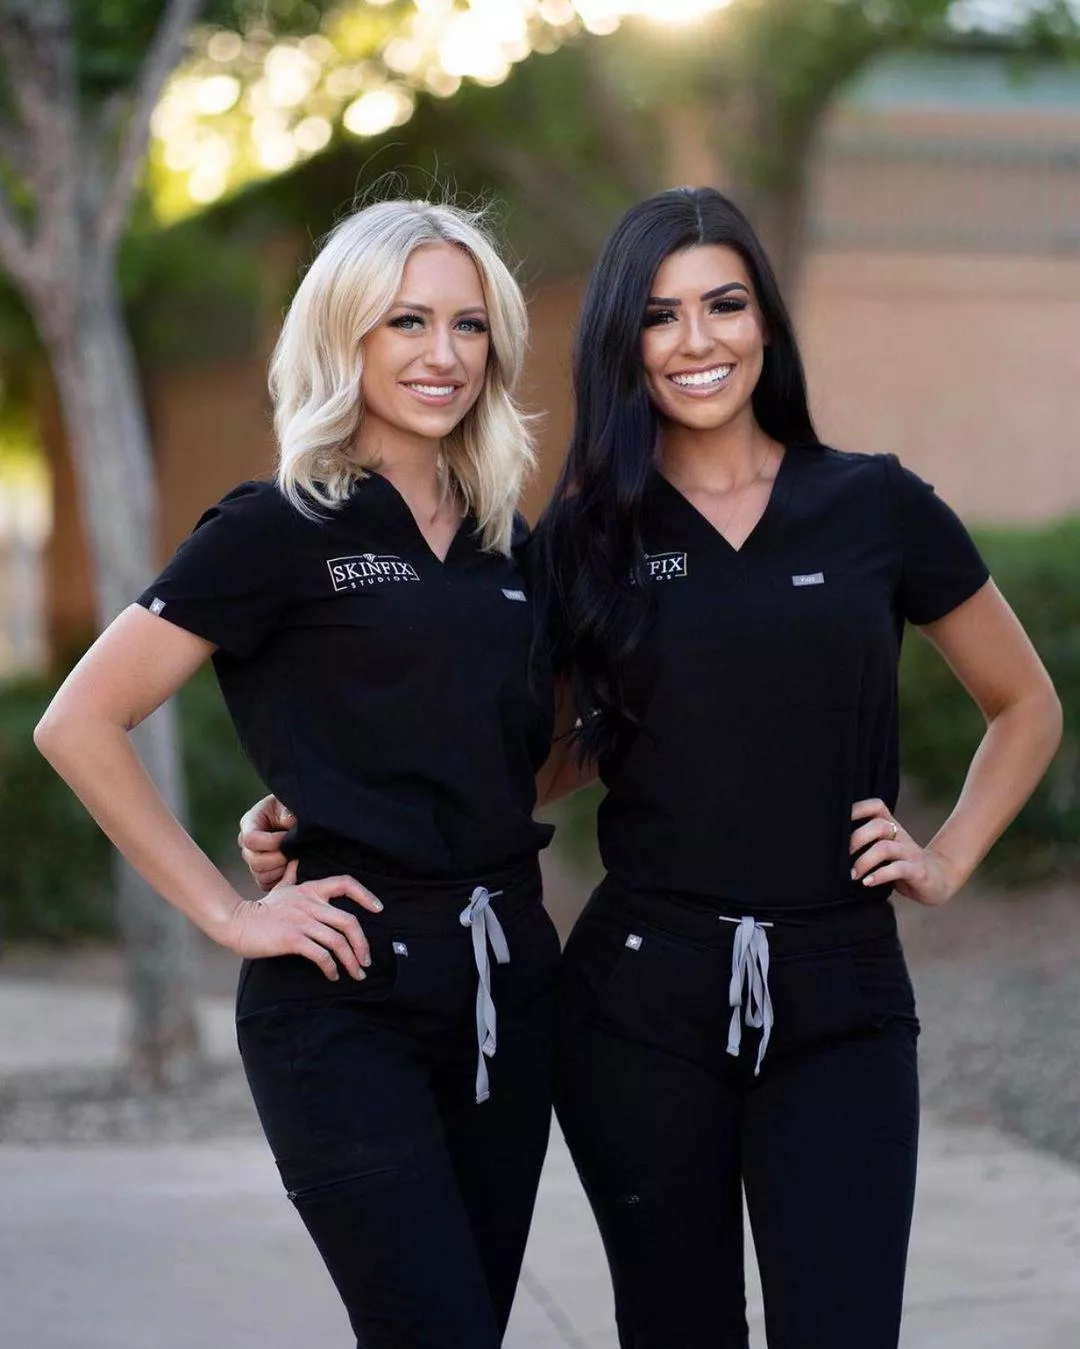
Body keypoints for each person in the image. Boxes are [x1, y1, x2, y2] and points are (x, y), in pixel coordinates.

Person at [239, 188, 1063, 1349]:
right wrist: (333, 809)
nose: (697, 340)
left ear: (766, 324)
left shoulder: (876, 505)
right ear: (624, 341)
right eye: (661, 315)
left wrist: (947, 854)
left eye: (724, 305)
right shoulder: (583, 536)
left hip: (843, 995)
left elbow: (1023, 702)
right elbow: (548, 751)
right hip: (639, 1008)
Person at [34, 199, 562, 1349]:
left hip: (507, 985)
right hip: (343, 996)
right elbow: (79, 722)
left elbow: (528, 760)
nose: (441, 355)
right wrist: (228, 910)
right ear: (345, 335)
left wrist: (331, 780)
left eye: (469, 326)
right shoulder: (275, 525)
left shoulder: (511, 543)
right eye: (405, 321)